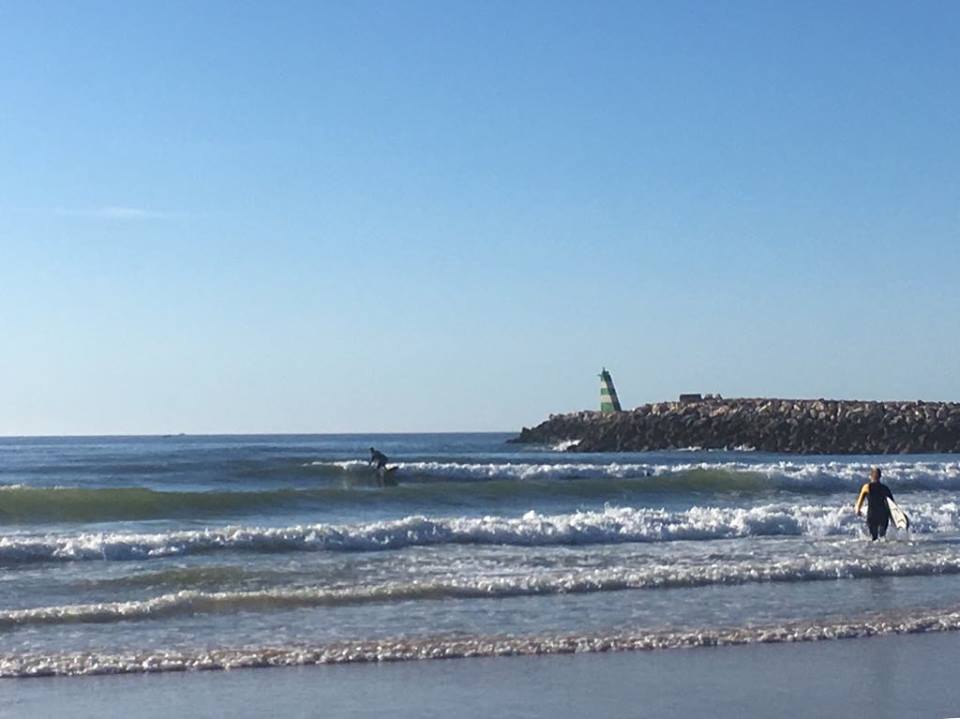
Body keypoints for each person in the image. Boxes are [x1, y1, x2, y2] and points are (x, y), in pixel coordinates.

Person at [854, 467, 894, 540]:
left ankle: (874, 550)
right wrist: (893, 518)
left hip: (872, 515)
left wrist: (858, 510)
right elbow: (892, 505)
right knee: (882, 537)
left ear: (871, 476)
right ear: (880, 476)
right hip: (883, 515)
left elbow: (860, 500)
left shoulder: (867, 487)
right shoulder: (885, 488)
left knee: (874, 538)